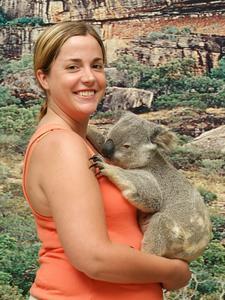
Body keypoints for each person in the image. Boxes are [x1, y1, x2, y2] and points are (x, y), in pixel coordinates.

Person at [22, 21, 191, 300]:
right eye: (73, 67)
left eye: (96, 65)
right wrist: (175, 272)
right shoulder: (62, 145)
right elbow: (94, 258)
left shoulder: (83, 141)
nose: (89, 77)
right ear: (44, 78)